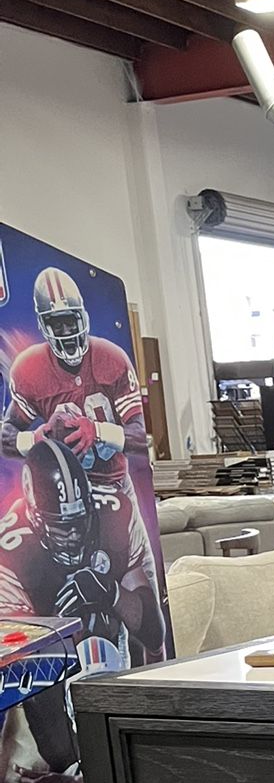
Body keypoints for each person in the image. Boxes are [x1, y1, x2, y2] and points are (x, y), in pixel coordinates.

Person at [0, 440, 165, 672]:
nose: (73, 535)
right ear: (34, 514)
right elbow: (16, 662)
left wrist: (112, 593)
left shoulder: (114, 512)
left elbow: (154, 634)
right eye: (61, 527)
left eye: (77, 523)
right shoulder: (9, 553)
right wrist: (57, 624)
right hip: (52, 667)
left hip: (115, 655)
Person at [1, 268, 147, 483]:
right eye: (56, 324)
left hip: (115, 482)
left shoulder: (111, 358)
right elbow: (6, 436)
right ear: (43, 326)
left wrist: (98, 431)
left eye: (70, 321)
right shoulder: (30, 368)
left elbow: (140, 435)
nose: (66, 331)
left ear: (83, 318)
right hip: (63, 487)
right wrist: (35, 440)